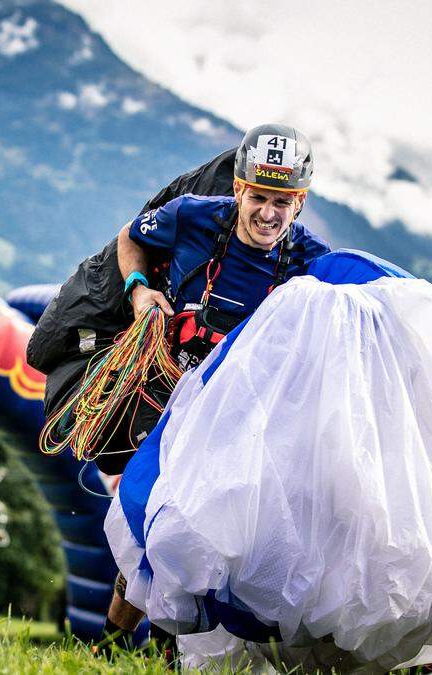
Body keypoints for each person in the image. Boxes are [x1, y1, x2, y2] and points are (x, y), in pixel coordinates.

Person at [100, 123, 332, 648]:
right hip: (168, 391)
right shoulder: (191, 216)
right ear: (238, 187)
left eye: (283, 201)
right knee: (152, 520)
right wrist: (139, 291)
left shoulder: (311, 262)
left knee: (192, 533)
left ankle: (149, 648)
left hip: (239, 422)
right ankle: (119, 642)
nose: (269, 214)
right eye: (259, 197)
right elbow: (131, 238)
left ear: (301, 202)